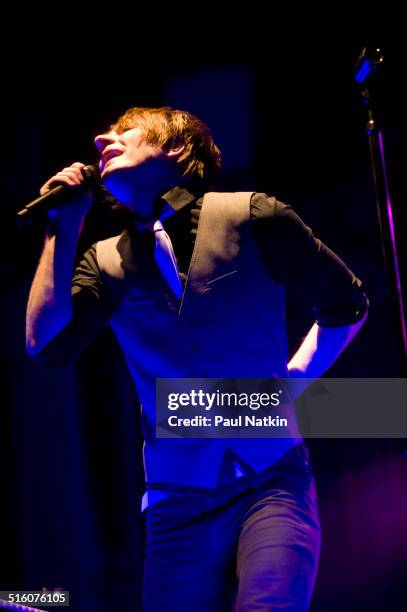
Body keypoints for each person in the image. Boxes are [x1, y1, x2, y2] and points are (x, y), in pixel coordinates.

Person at [26, 106, 368, 611]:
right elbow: (45, 345)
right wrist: (64, 225)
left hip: (272, 483)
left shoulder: (253, 216)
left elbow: (347, 303)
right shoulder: (105, 260)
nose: (102, 139)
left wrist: (296, 376)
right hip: (175, 504)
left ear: (176, 148)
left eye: (124, 131)